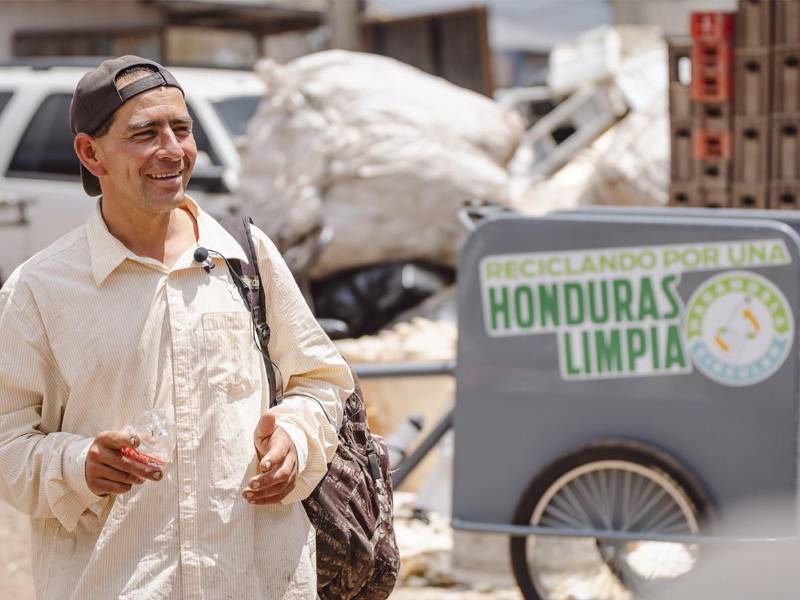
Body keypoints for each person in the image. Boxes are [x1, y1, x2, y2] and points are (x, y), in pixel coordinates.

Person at [0, 55, 353, 599]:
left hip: (255, 581)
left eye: (181, 129)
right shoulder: (37, 291)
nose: (172, 149)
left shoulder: (244, 257)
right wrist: (78, 464)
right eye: (144, 133)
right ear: (90, 154)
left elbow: (322, 380)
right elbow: (7, 441)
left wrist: (296, 436)